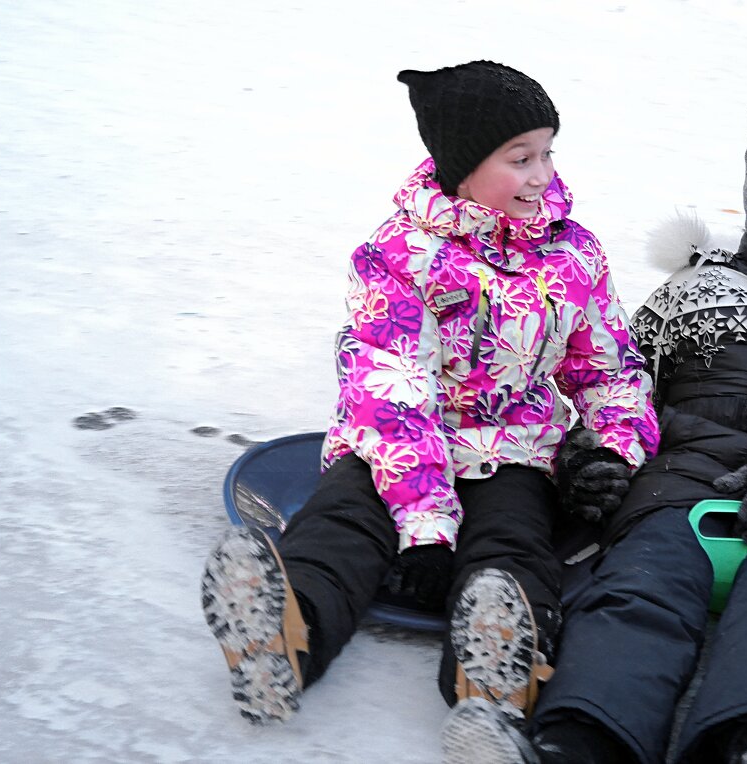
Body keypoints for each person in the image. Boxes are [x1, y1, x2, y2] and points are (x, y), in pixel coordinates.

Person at [441, 111, 747, 764]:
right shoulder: (688, 293)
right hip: (674, 493)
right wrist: (591, 458)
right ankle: (574, 745)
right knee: (637, 592)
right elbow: (614, 386)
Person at [199, 60, 659, 725]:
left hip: (514, 448)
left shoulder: (573, 254)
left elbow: (608, 367)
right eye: (519, 157)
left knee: (513, 546)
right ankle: (282, 636)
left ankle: (495, 669)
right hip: (397, 450)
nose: (541, 175)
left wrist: (615, 450)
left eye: (547, 154)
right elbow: (391, 391)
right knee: (342, 526)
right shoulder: (400, 256)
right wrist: (424, 530)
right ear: (461, 168)